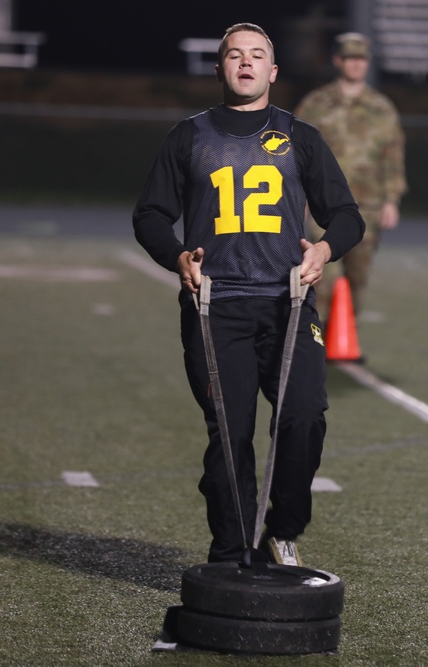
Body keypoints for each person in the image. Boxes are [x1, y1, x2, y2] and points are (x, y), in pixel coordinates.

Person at [132, 22, 365, 566]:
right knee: (230, 432)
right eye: (234, 55)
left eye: (257, 55)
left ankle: (282, 530)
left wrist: (323, 251)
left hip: (288, 302)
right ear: (219, 68)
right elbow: (151, 215)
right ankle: (231, 551)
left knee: (304, 413)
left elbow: (347, 217)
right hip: (217, 307)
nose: (245, 63)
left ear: (272, 71)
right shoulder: (188, 136)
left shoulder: (300, 136)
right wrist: (177, 257)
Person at [294, 32, 406, 321]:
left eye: (361, 59)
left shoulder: (382, 108)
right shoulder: (316, 104)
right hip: (324, 205)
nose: (356, 65)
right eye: (350, 58)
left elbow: (392, 155)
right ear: (338, 61)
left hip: (367, 205)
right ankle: (314, 342)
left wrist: (392, 200)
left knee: (357, 277)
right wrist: (299, 196)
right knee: (322, 278)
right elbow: (296, 151)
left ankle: (344, 339)